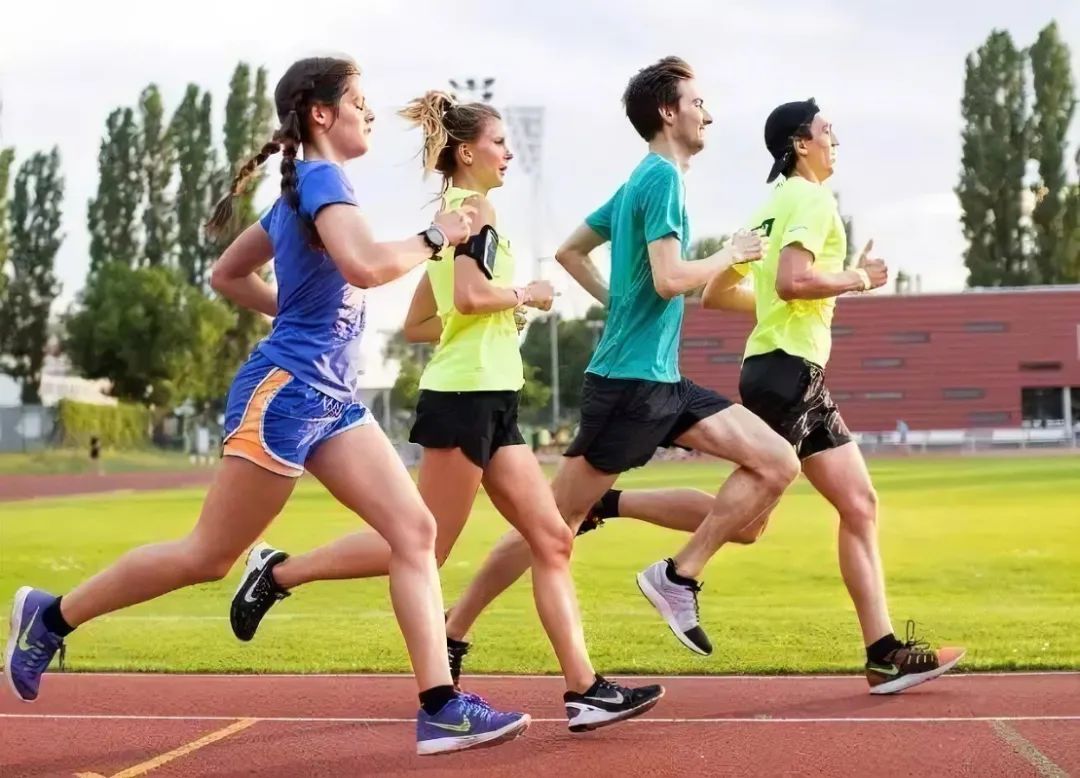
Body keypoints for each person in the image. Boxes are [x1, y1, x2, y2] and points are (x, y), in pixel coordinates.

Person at [4, 56, 529, 756]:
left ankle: (440, 707)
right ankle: (52, 616)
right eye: (360, 101)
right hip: (285, 396)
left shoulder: (303, 188)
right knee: (208, 556)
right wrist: (442, 233)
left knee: (415, 533)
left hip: (332, 398)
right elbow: (368, 268)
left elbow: (230, 273)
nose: (369, 113)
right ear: (321, 113)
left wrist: (306, 315)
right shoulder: (319, 181)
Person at [229, 91, 664, 733]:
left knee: (551, 538)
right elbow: (467, 292)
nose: (508, 152)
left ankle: (586, 690)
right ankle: (280, 571)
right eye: (498, 142)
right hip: (462, 402)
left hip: (494, 395)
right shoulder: (471, 211)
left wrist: (492, 315)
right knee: (423, 548)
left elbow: (422, 322)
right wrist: (526, 295)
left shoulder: (461, 214)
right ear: (467, 152)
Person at [577, 98, 966, 695]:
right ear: (800, 144)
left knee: (852, 505)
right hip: (788, 373)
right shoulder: (811, 200)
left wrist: (811, 296)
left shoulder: (771, 203)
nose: (834, 138)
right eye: (825, 130)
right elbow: (791, 280)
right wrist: (857, 279)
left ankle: (883, 652)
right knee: (755, 512)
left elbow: (724, 295)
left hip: (785, 368)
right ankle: (675, 571)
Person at [436, 56, 801, 671]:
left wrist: (616, 303)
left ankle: (677, 575)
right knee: (553, 522)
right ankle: (454, 629)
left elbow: (569, 251)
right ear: (667, 112)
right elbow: (667, 280)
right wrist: (727, 255)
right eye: (697, 102)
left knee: (774, 467)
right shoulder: (658, 180)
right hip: (629, 384)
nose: (707, 112)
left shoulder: (642, 181)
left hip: (662, 379)